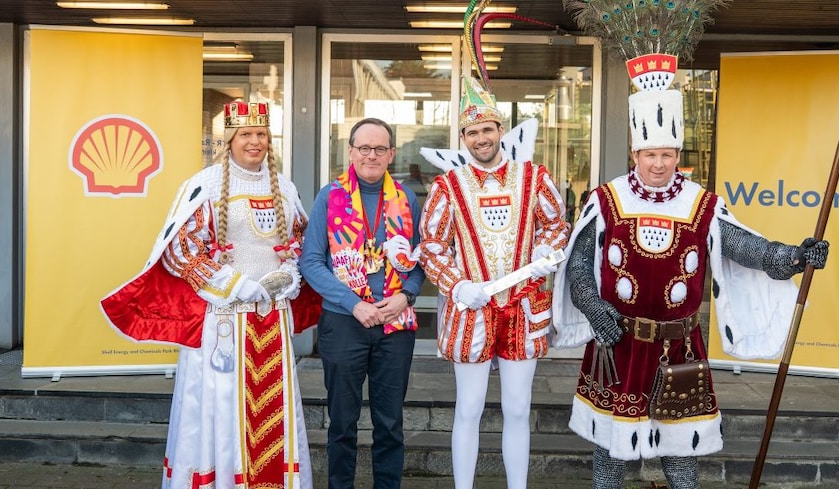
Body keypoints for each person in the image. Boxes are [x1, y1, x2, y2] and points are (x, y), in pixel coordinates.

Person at [550, 57, 830, 489]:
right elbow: (580, 266)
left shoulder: (702, 205)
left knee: (680, 456)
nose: (657, 164)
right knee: (609, 455)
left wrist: (793, 256)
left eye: (665, 154)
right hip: (618, 345)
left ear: (677, 154)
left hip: (678, 347)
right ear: (635, 153)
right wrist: (591, 304)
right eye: (649, 155)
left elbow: (747, 248)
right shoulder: (606, 200)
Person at [101, 101, 313, 489]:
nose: (254, 142)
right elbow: (182, 250)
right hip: (224, 321)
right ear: (229, 140)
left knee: (273, 410)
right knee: (222, 407)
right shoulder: (207, 184)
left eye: (260, 134)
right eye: (245, 134)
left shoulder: (284, 186)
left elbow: (300, 240)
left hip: (272, 316)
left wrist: (288, 275)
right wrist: (236, 285)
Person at [418, 76, 571, 489]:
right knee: (468, 408)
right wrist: (455, 285)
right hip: (472, 312)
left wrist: (546, 251)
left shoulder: (535, 177)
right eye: (472, 132)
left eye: (488, 129)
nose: (481, 139)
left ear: (501, 130)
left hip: (523, 307)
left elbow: (558, 226)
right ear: (464, 138)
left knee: (519, 408)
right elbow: (431, 246)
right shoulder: (447, 187)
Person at [298, 118, 425, 489]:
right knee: (342, 422)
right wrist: (353, 303)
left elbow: (420, 264)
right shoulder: (329, 195)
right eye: (364, 148)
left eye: (380, 149)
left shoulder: (407, 199)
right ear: (351, 151)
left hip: (394, 326)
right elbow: (310, 262)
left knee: (390, 423)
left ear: (391, 154)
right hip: (343, 323)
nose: (372, 155)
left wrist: (406, 296)